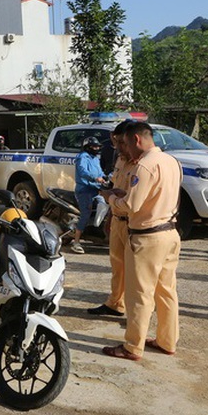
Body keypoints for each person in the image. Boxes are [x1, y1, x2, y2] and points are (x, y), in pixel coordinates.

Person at [100, 121, 181, 360]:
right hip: (169, 233)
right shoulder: (172, 161)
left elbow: (131, 206)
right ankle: (167, 341)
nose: (123, 149)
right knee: (166, 292)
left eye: (124, 143)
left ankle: (132, 346)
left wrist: (110, 198)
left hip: (147, 237)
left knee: (139, 295)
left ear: (136, 140)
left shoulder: (144, 166)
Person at [88, 120, 136, 316]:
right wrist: (109, 215)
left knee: (135, 272)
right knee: (117, 265)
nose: (117, 147)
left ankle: (135, 313)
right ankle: (116, 303)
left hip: (134, 224)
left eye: (120, 143)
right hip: (117, 219)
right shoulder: (120, 159)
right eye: (115, 142)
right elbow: (114, 189)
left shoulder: (143, 164)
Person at [71, 136, 107, 254]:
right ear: (87, 147)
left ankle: (96, 232)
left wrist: (105, 177)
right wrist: (94, 178)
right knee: (86, 213)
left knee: (104, 204)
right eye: (94, 146)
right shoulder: (82, 157)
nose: (96, 148)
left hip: (96, 189)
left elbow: (100, 171)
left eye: (97, 146)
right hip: (84, 190)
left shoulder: (95, 158)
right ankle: (76, 242)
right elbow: (82, 171)